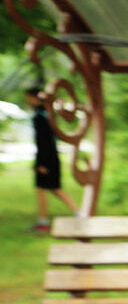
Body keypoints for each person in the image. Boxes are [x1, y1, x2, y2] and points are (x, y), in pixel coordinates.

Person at [25, 87, 78, 230]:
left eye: (28, 97)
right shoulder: (46, 114)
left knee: (54, 189)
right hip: (50, 157)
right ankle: (43, 221)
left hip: (47, 159)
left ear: (35, 98)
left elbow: (44, 142)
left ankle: (79, 214)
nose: (27, 100)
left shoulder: (41, 117)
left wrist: (41, 163)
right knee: (44, 189)